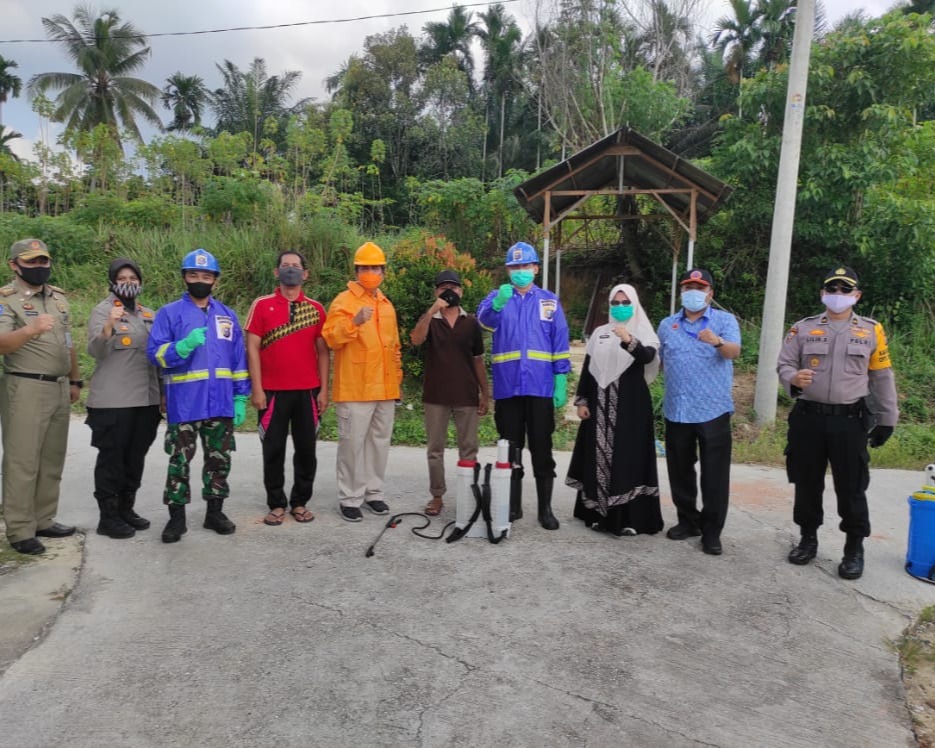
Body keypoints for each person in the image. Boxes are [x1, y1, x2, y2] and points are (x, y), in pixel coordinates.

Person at [777, 266, 898, 580]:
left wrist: (888, 418)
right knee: (807, 483)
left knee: (852, 487)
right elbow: (785, 363)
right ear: (822, 294)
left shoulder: (872, 331)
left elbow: (881, 376)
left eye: (846, 291)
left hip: (849, 421)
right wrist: (793, 377)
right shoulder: (802, 329)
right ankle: (808, 539)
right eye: (833, 289)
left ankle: (853, 549)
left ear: (856, 296)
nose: (839, 296)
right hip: (808, 419)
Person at [146, 248, 250, 543]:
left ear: (215, 280)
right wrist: (182, 347)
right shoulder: (169, 313)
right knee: (179, 461)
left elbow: (238, 360)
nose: (200, 280)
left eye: (206, 275)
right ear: (184, 277)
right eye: (194, 274)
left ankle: (214, 512)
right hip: (186, 403)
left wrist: (241, 396)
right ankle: (176, 519)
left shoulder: (227, 315)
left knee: (219, 460)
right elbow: (154, 354)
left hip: (221, 403)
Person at [477, 241, 571, 530]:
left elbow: (560, 341)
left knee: (542, 450)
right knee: (511, 450)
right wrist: (496, 305)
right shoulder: (497, 297)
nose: (520, 271)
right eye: (515, 267)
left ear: (536, 269)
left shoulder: (549, 302)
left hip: (541, 388)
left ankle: (545, 509)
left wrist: (561, 379)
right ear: (508, 270)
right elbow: (483, 322)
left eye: (525, 266)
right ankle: (513, 506)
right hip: (508, 389)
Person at [0, 239, 80, 555]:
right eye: (31, 262)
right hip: (26, 387)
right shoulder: (6, 300)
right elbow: (2, 343)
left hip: (59, 386)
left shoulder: (59, 298)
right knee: (22, 461)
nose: (39, 267)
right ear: (14, 265)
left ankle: (44, 519)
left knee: (52, 458)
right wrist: (31, 329)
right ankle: (19, 529)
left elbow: (69, 343)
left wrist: (75, 379)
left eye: (43, 261)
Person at [566, 283, 663, 536]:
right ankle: (597, 513)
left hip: (631, 407)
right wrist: (582, 401)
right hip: (598, 405)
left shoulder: (643, 330)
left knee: (627, 458)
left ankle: (628, 517)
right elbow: (589, 368)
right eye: (615, 303)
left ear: (635, 304)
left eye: (625, 303)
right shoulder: (599, 332)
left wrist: (629, 340)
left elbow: (647, 358)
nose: (620, 308)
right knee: (597, 455)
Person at [656, 268, 741, 555]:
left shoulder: (723, 320)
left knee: (714, 475)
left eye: (700, 287)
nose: (694, 292)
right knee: (680, 471)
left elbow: (733, 352)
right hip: (677, 409)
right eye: (688, 287)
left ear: (710, 293)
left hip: (712, 409)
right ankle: (688, 521)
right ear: (681, 292)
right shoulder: (668, 325)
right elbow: (661, 362)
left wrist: (716, 341)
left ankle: (712, 531)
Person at [245, 251, 329, 526]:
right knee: (273, 450)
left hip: (307, 392)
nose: (290, 270)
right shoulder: (262, 305)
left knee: (307, 451)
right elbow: (252, 348)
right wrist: (257, 388)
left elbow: (324, 353)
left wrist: (324, 390)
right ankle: (277, 503)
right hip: (272, 392)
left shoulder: (316, 309)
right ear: (276, 272)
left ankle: (300, 502)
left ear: (305, 274)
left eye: (296, 266)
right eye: (285, 266)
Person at [322, 242, 402, 522]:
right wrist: (354, 322)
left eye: (375, 267)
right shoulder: (344, 301)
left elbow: (394, 348)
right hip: (355, 388)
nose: (371, 272)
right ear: (356, 270)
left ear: (383, 271)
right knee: (352, 444)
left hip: (385, 389)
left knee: (379, 443)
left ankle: (374, 493)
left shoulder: (386, 304)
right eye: (365, 267)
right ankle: (350, 498)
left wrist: (397, 384)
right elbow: (331, 338)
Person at [85, 257, 161, 539]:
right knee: (112, 459)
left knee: (135, 458)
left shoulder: (149, 314)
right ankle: (108, 516)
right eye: (122, 279)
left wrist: (163, 396)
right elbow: (94, 350)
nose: (128, 283)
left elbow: (157, 359)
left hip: (146, 401)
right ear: (112, 283)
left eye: (133, 279)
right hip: (114, 401)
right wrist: (108, 326)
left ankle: (126, 508)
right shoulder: (102, 311)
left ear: (140, 283)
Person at [410, 269, 489, 516]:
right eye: (444, 288)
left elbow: (478, 360)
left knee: (469, 447)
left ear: (461, 291)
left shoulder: (471, 322)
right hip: (436, 396)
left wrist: (485, 393)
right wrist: (432, 311)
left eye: (453, 288)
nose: (449, 292)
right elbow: (415, 339)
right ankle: (437, 496)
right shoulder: (430, 321)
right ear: (437, 292)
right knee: (435, 449)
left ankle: (468, 494)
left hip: (466, 395)